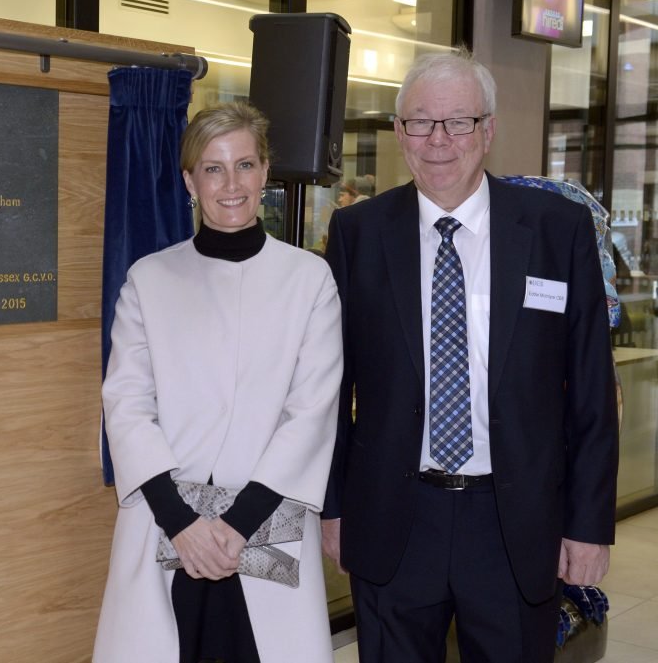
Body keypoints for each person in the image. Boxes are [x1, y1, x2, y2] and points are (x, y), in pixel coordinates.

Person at [321, 47, 618, 663]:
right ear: (399, 132)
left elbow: (591, 389)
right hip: (394, 519)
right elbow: (330, 384)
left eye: (458, 121)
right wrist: (333, 506)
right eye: (420, 122)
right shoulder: (358, 233)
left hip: (515, 524)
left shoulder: (556, 230)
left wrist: (588, 524)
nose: (438, 140)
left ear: (487, 130)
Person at [94, 101, 343, 663]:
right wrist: (183, 525)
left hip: (263, 526)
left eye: (245, 165)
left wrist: (235, 527)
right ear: (189, 180)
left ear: (265, 173)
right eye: (213, 168)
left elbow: (309, 414)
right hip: (166, 529)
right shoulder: (150, 279)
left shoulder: (309, 281)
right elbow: (127, 405)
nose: (231, 184)